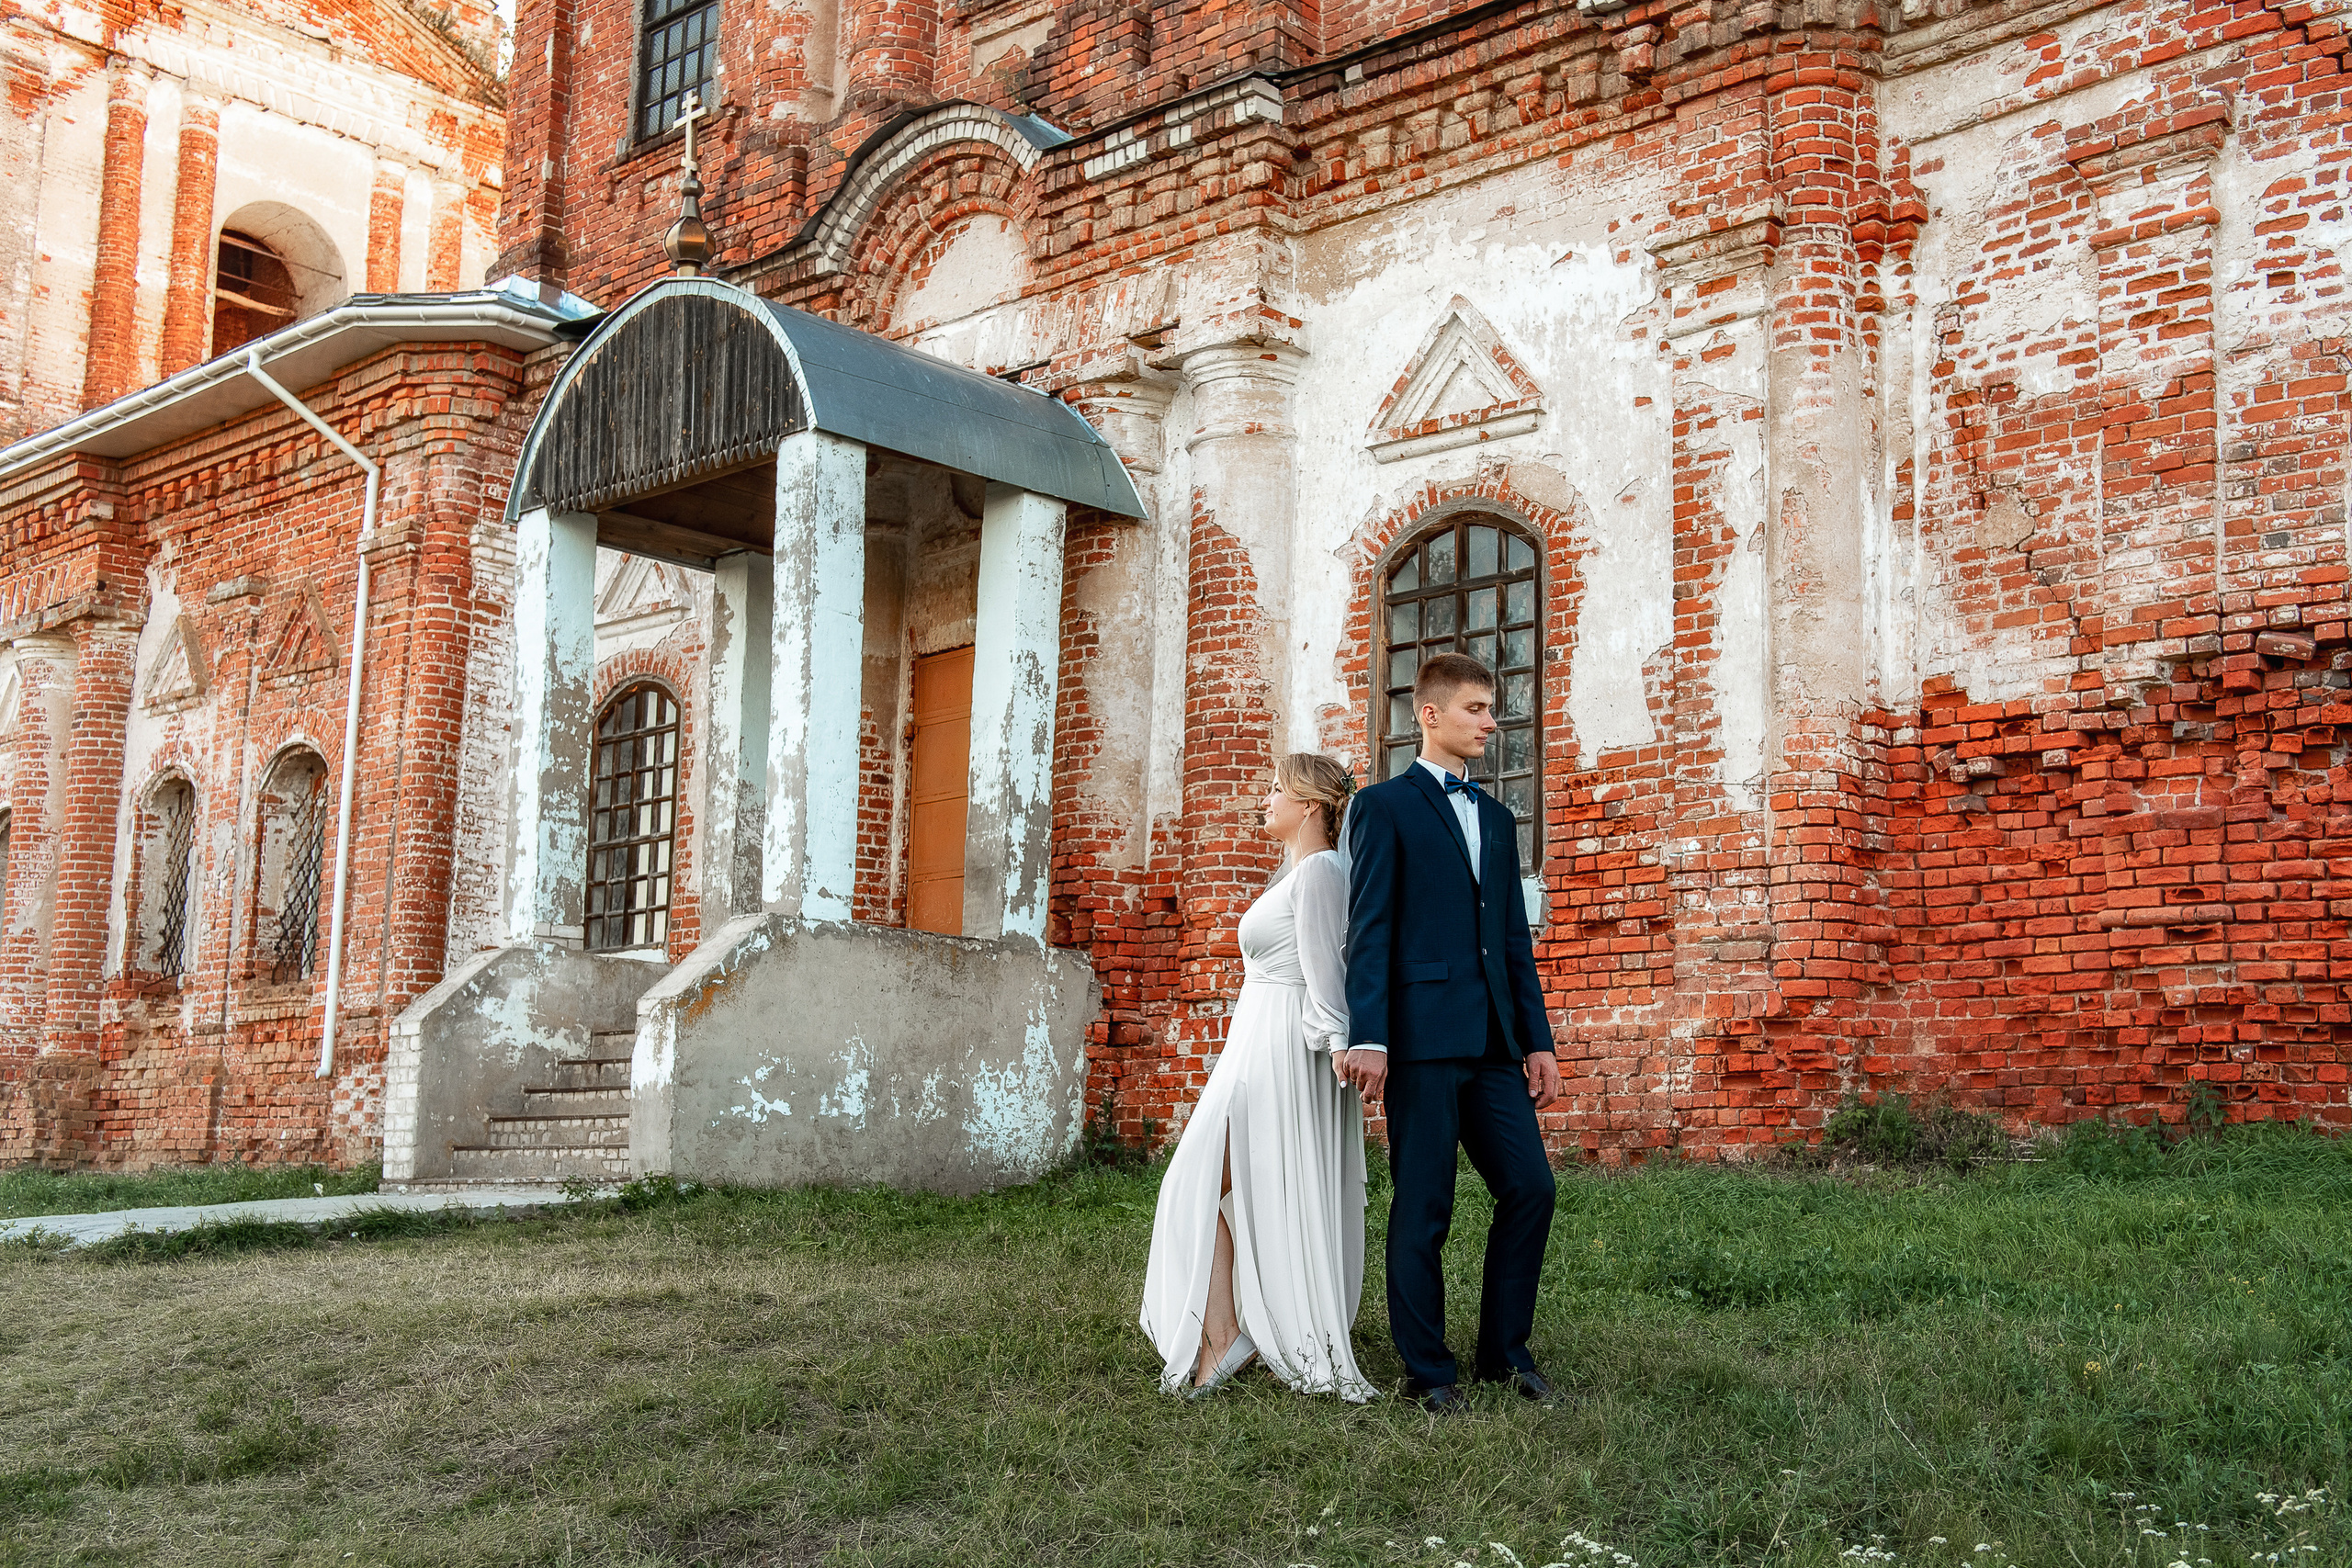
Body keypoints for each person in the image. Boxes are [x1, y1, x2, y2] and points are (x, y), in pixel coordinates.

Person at [1341, 651, 1561, 1414]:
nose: (1491, 723)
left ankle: (1506, 1355)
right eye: (1477, 708)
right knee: (1425, 1204)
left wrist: (1537, 1040)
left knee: (1531, 1187)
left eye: (1492, 710)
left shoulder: (1497, 819)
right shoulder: (1381, 806)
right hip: (1422, 1041)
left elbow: (1511, 941)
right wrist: (1368, 1032)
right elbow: (1367, 930)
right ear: (1428, 714)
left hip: (1496, 1043)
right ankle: (1429, 1372)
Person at [1140, 752, 1377, 1402]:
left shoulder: (1322, 871)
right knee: (1199, 1183)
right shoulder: (1295, 873)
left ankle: (1233, 1338)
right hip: (1253, 1044)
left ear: (1309, 806)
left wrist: (1336, 1048)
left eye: (1277, 789)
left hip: (1283, 1054)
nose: (1264, 799)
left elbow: (1327, 973)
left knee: (1198, 1180)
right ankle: (1229, 1335)